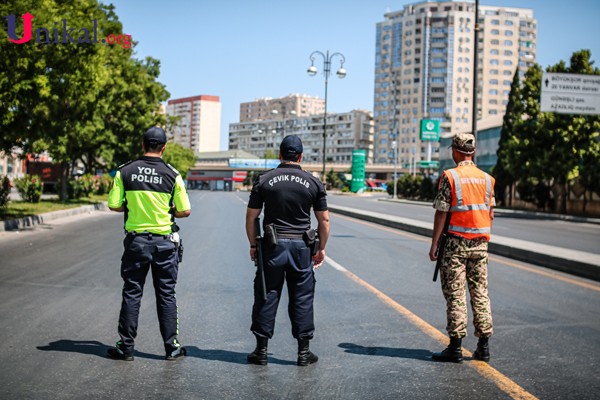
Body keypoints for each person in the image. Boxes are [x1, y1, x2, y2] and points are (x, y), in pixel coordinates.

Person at [106, 126, 191, 361]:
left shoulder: (125, 171)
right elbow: (184, 210)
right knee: (166, 294)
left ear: (142, 145)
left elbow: (114, 205)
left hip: (136, 242)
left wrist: (133, 207)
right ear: (164, 148)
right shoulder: (172, 174)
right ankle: (171, 348)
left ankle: (126, 348)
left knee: (132, 293)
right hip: (164, 244)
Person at [245, 134, 330, 366]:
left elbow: (252, 216)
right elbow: (324, 221)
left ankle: (261, 351)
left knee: (267, 294)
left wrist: (254, 245)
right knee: (302, 298)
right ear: (301, 156)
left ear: (280, 154)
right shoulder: (314, 183)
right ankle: (303, 353)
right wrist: (321, 248)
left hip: (272, 247)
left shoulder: (264, 179)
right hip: (302, 248)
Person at [428, 132, 495, 363]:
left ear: (455, 151)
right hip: (481, 245)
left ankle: (455, 347)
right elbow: (491, 213)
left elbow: (442, 211)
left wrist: (435, 243)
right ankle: (483, 347)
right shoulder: (487, 179)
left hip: (455, 244)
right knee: (480, 292)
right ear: (473, 152)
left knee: (456, 294)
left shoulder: (450, 176)